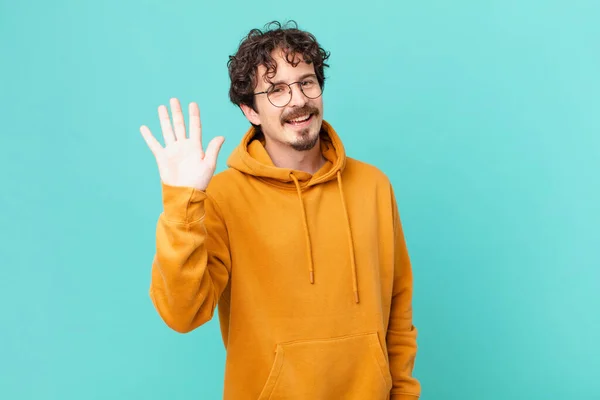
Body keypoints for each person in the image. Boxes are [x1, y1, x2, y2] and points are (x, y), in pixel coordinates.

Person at [140, 20, 421, 400]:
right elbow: (182, 313)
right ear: (250, 111)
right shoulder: (223, 197)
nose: (297, 100)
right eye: (275, 90)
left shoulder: (373, 186)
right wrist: (182, 203)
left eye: (306, 82)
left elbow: (398, 312)